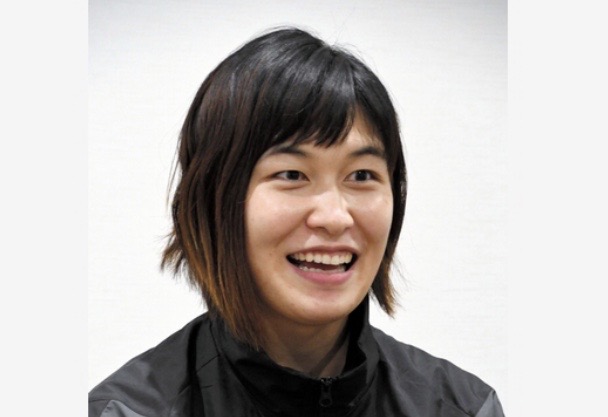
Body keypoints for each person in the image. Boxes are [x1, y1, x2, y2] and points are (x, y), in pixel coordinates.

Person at [89, 27, 504, 417]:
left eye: (362, 176)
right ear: (213, 200)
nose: (334, 217)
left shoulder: (459, 407)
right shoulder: (127, 411)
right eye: (292, 175)